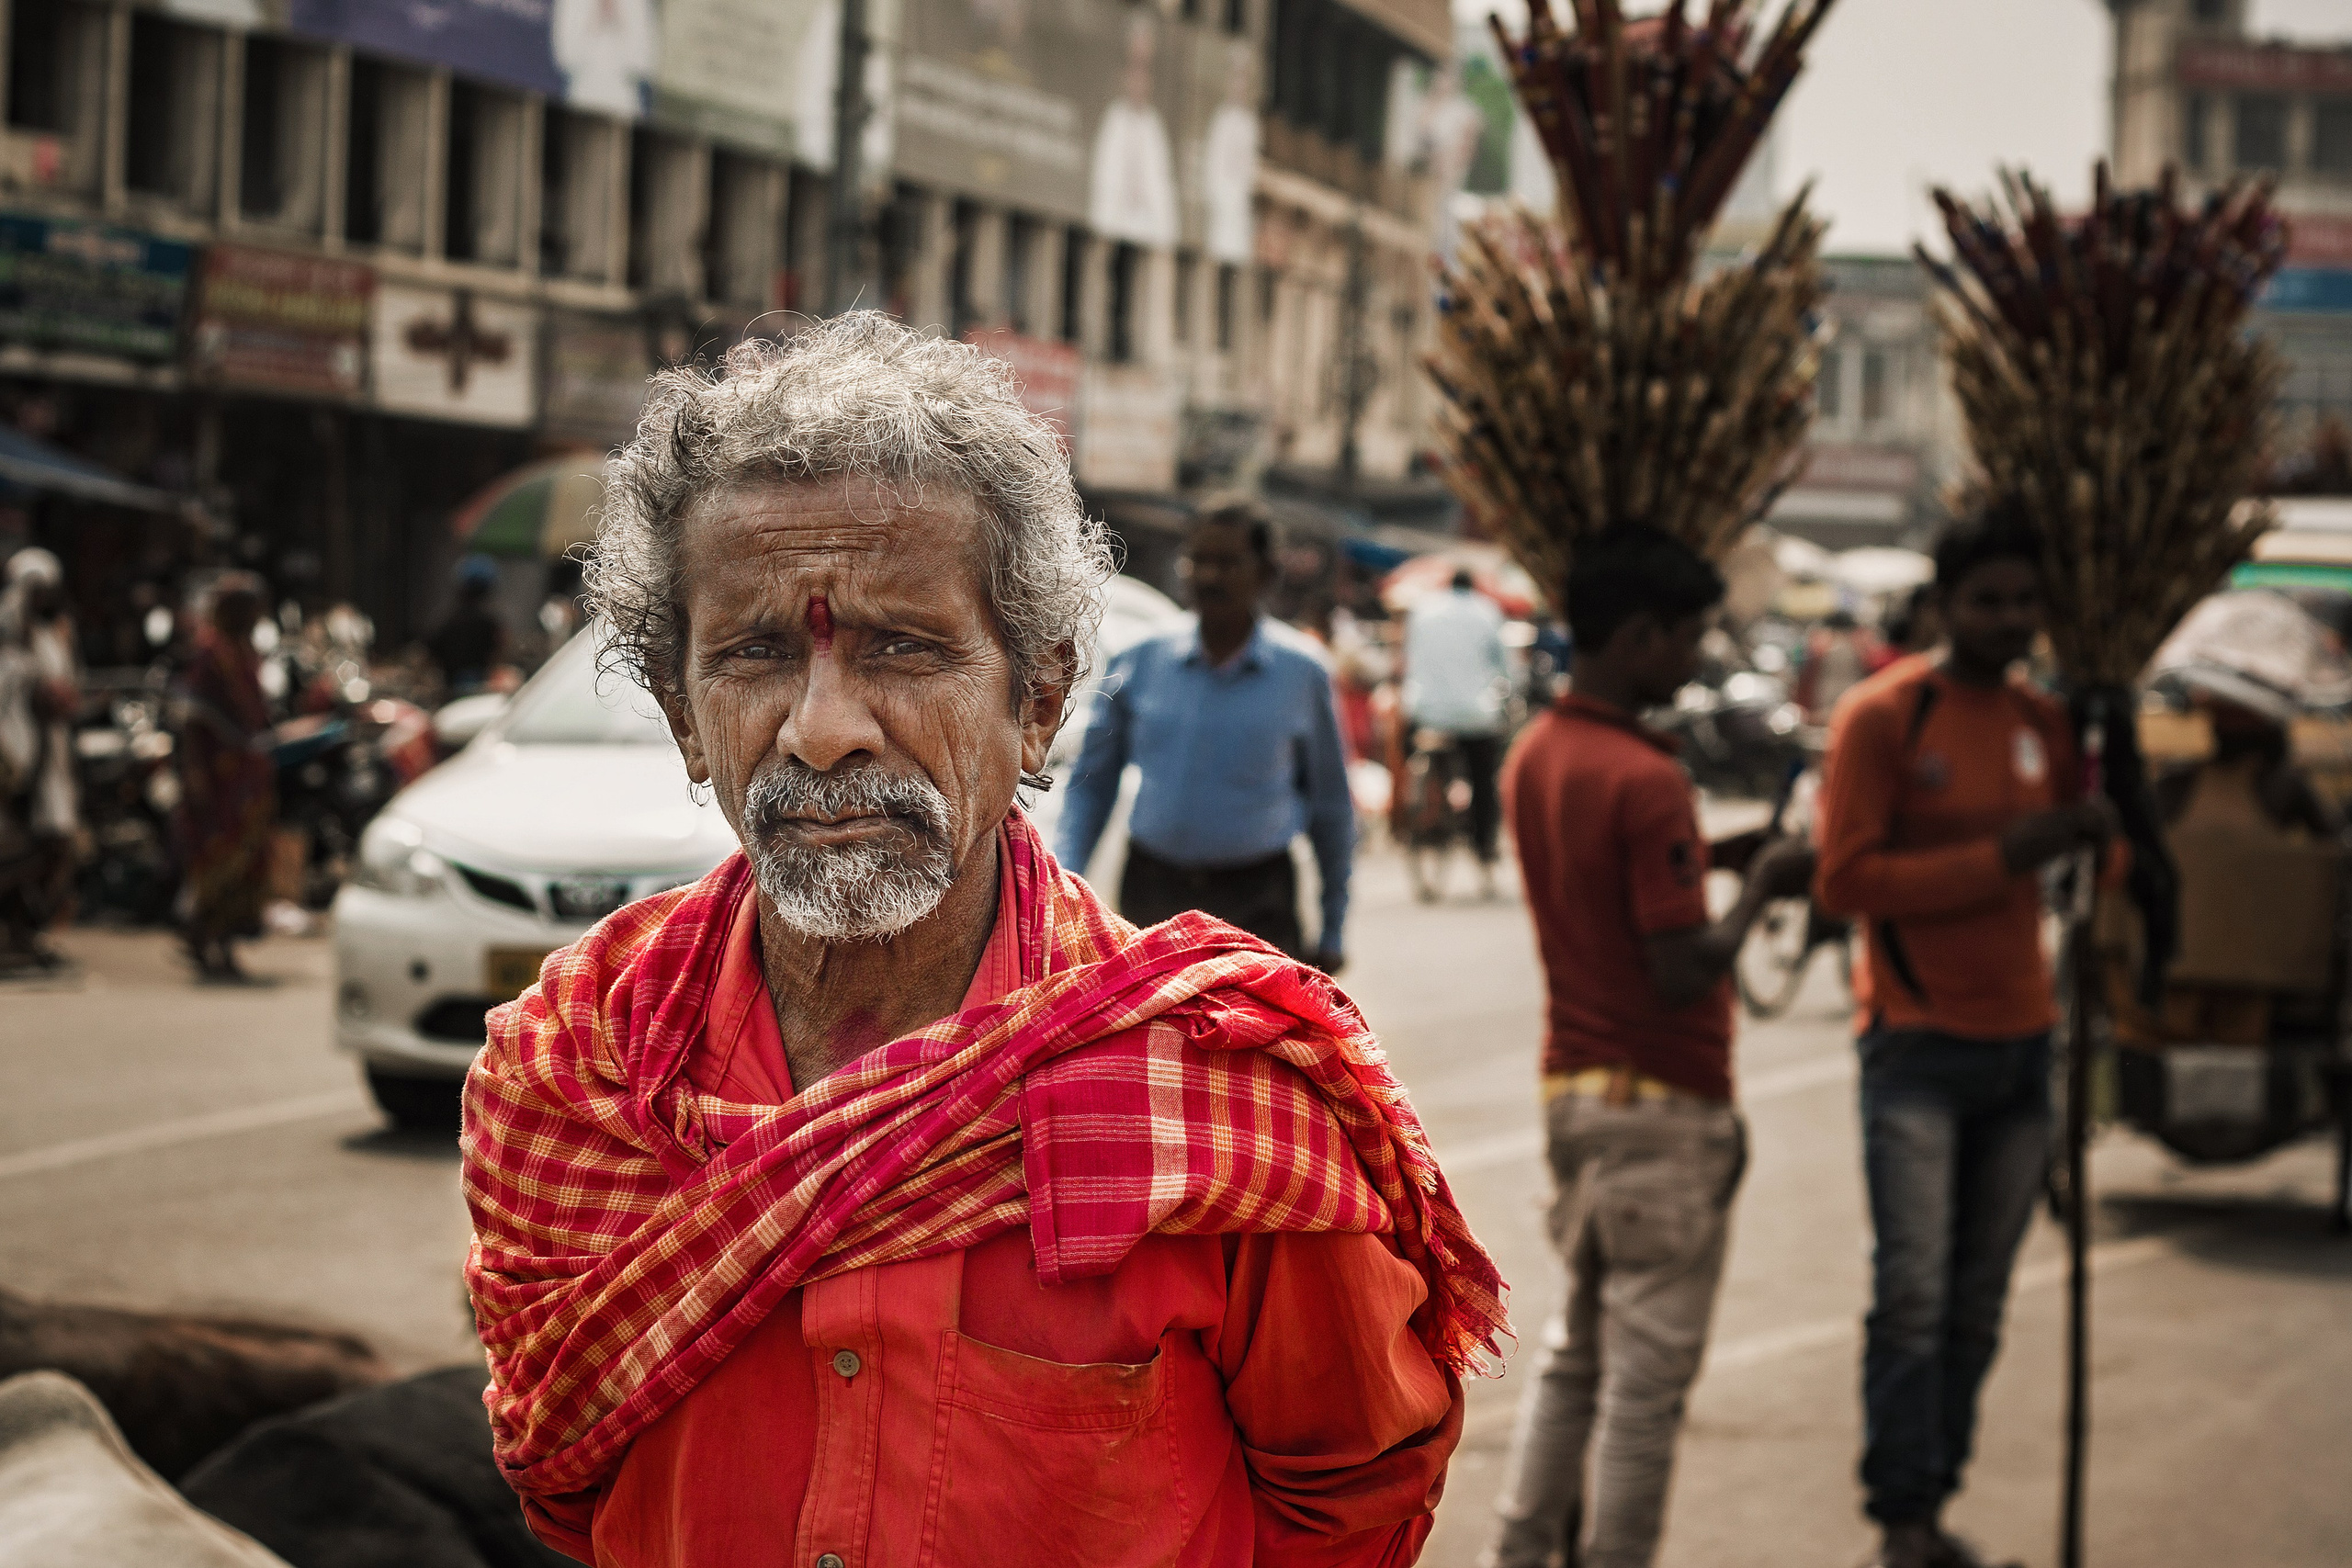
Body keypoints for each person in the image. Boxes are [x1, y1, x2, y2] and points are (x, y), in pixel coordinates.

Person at [460, 314, 1504, 1566]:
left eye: (902, 644)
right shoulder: (577, 1077)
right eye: (752, 653)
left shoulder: (1210, 1092)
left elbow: (1354, 1494)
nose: (823, 726)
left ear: (1040, 699)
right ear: (686, 717)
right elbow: (564, 1473)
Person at [1484, 525, 1816, 1568]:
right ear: (1635, 636)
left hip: (1574, 1097)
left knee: (1577, 1357)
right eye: (1685, 638)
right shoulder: (1644, 774)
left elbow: (1603, 882)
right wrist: (1758, 887)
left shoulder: (1541, 751)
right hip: (1662, 1105)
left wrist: (1712, 857)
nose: (1694, 661)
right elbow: (1678, 966)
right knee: (1643, 1387)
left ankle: (1518, 1550)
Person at [1813, 504, 2119, 1568]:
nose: (2008, 620)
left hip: (2022, 1047)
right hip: (1913, 1045)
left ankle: (1933, 1500)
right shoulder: (1884, 716)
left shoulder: (2047, 723)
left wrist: (2103, 825)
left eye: (2024, 603)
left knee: (1978, 1305)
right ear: (1944, 605)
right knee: (1912, 1295)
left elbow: (2095, 876)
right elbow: (1843, 878)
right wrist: (2004, 855)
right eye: (1987, 601)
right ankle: (1899, 1519)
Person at [1056, 498, 1355, 971]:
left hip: (1259, 900)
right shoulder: (1140, 660)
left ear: (1265, 575)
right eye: (1199, 561)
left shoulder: (1303, 674)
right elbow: (1091, 786)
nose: (1210, 576)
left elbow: (1332, 809)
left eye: (1229, 563)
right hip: (1153, 894)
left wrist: (1334, 924)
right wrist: (1062, 896)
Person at [173, 574, 277, 983]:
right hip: (217, 778)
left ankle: (227, 945)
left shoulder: (247, 653)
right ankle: (203, 938)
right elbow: (192, 722)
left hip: (248, 780)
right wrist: (195, 773)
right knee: (217, 858)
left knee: (247, 861)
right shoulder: (209, 656)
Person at [1402, 566, 1511, 886]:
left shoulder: (1423, 611)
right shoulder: (1487, 612)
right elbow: (1506, 667)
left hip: (1426, 712)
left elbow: (1411, 659)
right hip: (1475, 715)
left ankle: (1421, 819)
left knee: (1416, 752)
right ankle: (1485, 844)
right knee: (1483, 777)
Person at [0, 547, 80, 973]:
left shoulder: (53, 637)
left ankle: (24, 935)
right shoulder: (9, 643)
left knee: (52, 846)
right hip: (13, 759)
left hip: (49, 759)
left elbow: (64, 690)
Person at [427, 556, 509, 696]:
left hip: (451, 687)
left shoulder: (449, 619)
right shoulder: (489, 622)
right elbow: (498, 650)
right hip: (480, 688)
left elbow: (433, 647)